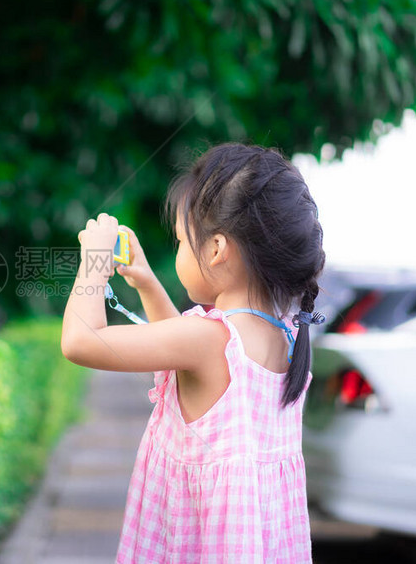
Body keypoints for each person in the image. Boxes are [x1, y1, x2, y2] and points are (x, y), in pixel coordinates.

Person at [60, 143, 325, 563]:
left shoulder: (210, 338)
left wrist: (94, 261)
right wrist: (147, 282)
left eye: (183, 241)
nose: (179, 250)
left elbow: (80, 340)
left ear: (217, 249)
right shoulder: (285, 338)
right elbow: (182, 358)